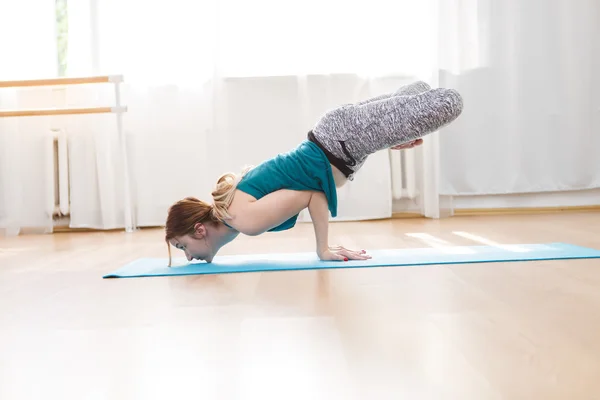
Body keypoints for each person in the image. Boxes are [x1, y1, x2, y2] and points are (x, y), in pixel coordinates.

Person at [164, 81, 463, 265]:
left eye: (183, 247)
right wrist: (394, 136)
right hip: (344, 140)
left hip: (344, 139)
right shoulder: (235, 211)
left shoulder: (243, 219)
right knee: (418, 93)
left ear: (199, 231)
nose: (189, 257)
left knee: (450, 103)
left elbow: (311, 192)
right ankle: (401, 129)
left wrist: (323, 249)